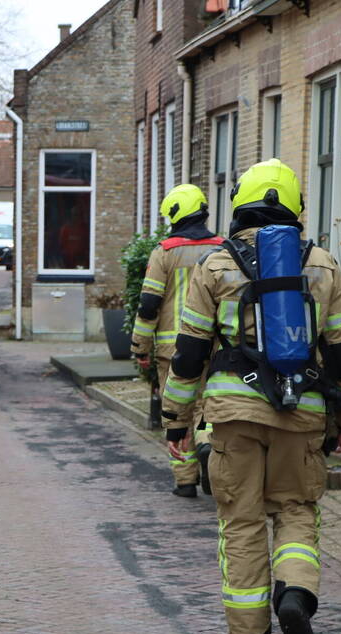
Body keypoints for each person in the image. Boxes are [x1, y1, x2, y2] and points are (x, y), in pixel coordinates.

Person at [161, 159, 341, 634]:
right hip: (302, 412)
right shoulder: (321, 264)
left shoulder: (216, 266)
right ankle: (295, 593)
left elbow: (187, 354)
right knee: (296, 511)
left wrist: (177, 420)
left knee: (242, 522)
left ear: (238, 205)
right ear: (295, 207)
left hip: (232, 414)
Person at [130, 184, 223, 498]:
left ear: (175, 215)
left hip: (174, 349)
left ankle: (185, 480)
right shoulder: (224, 248)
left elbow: (148, 304)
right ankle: (209, 449)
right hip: (215, 346)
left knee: (176, 409)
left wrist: (140, 348)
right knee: (207, 406)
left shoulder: (164, 252)